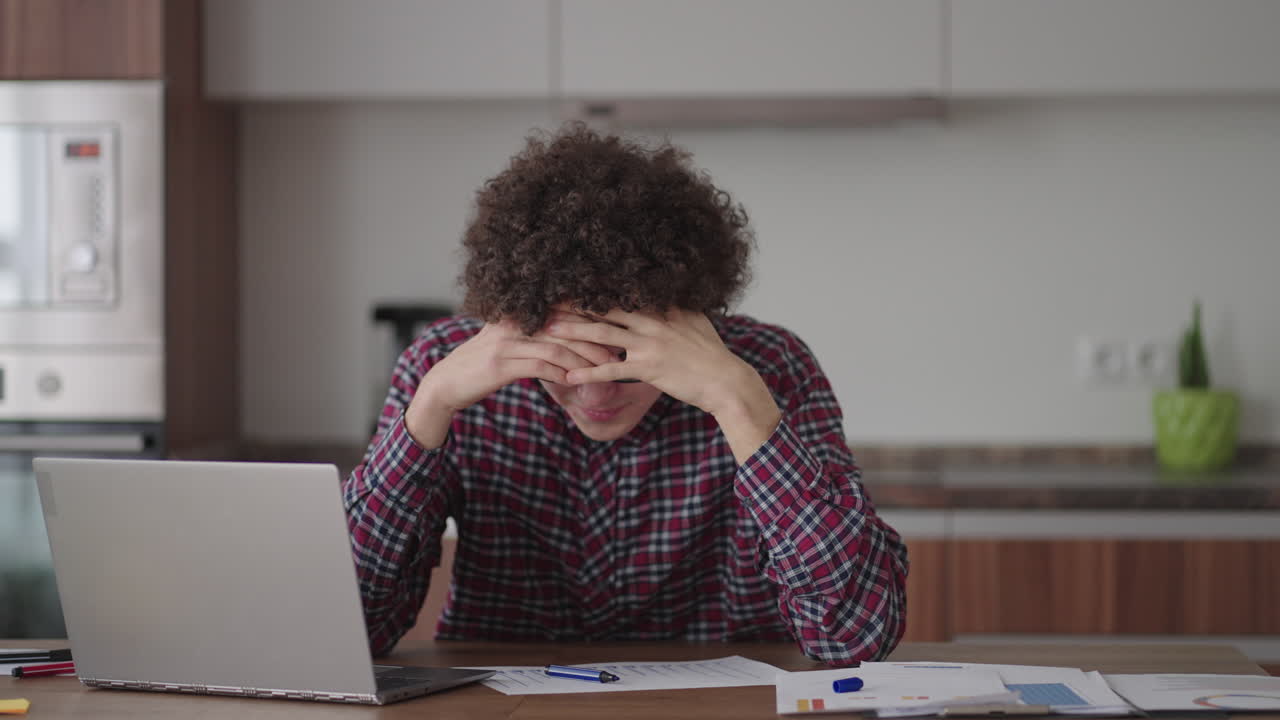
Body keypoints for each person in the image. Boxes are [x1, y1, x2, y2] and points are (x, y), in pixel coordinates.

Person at [342, 123, 908, 666]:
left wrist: (738, 402)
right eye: (561, 365)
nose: (593, 397)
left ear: (688, 319)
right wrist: (429, 408)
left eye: (625, 365)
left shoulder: (767, 369)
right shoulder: (443, 370)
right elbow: (352, 630)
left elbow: (855, 637)